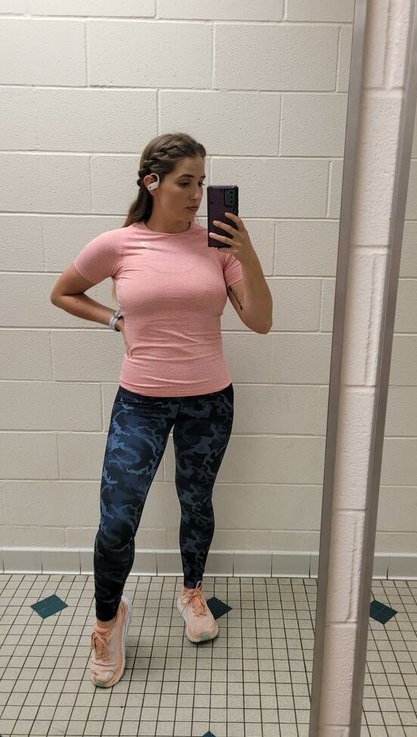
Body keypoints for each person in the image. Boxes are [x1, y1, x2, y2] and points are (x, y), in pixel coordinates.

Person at [50, 132, 273, 688]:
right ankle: (108, 620)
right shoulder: (117, 244)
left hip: (210, 399)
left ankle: (192, 591)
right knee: (117, 520)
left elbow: (260, 321)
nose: (197, 194)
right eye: (185, 182)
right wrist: (115, 320)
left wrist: (248, 254)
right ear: (152, 183)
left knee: (196, 501)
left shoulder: (218, 245)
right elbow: (64, 292)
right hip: (140, 403)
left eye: (202, 182)